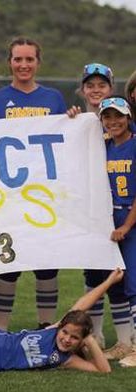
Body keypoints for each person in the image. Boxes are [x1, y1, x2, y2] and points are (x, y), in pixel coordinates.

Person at [0, 37, 67, 331]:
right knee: (7, 263)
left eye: (29, 59)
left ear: (38, 62)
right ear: (9, 62)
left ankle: (45, 327)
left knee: (47, 264)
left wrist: (73, 121)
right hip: (8, 197)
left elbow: (64, 142)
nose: (23, 65)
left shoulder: (54, 99)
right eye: (18, 59)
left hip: (44, 196)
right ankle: (0, 330)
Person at [66, 65, 133, 356]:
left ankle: (126, 342)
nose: (95, 89)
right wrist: (69, 123)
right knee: (95, 276)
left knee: (126, 280)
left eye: (102, 84)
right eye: (89, 85)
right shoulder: (85, 129)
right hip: (97, 216)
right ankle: (96, 339)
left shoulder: (128, 137)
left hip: (125, 217)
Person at [97, 97, 136, 367]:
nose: (114, 121)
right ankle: (126, 344)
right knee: (118, 283)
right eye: (107, 117)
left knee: (134, 283)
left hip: (129, 219)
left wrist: (126, 225)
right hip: (110, 220)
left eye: (118, 116)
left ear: (128, 116)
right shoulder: (105, 146)